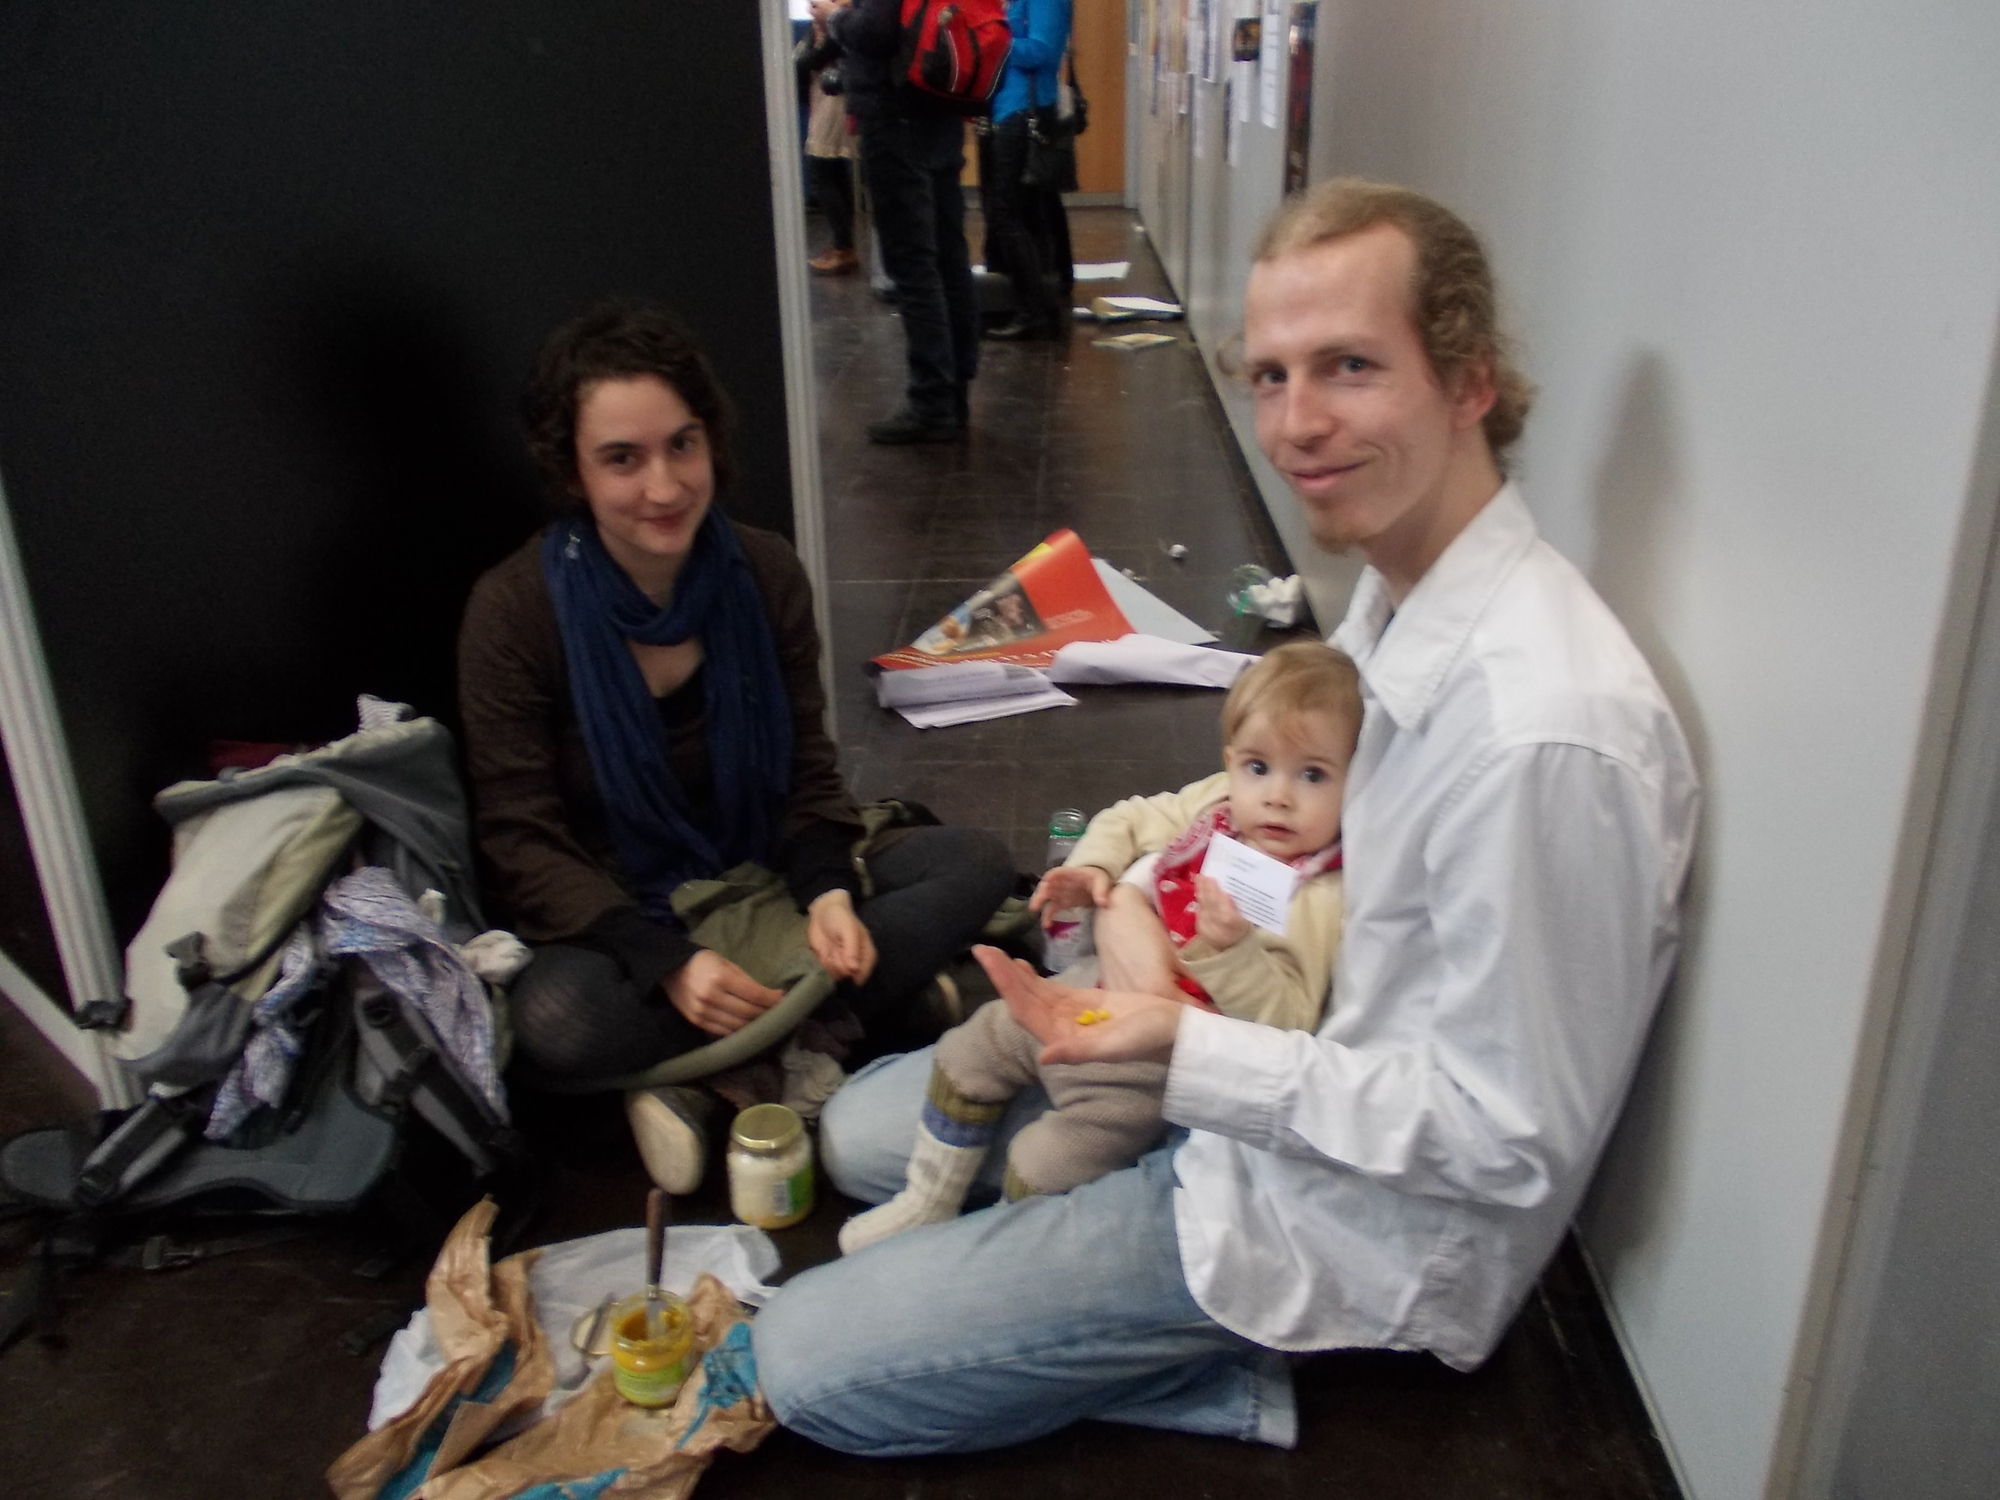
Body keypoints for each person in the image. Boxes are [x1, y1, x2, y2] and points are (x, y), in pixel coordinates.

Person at [751, 179, 1699, 1454]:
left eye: (1348, 367)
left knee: (803, 1368)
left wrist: (1178, 1051)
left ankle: (1259, 1367)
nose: (1294, 425)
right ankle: (1081, 1235)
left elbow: (1502, 1143)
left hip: (1340, 1220)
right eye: (1268, 376)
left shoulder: (1544, 736)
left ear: (1468, 380)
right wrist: (1139, 899)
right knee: (862, 1135)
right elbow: (1266, 836)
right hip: (1267, 1057)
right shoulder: (1396, 607)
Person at [457, 301, 1015, 1192]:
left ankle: (703, 1080)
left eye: (683, 444)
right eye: (622, 458)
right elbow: (521, 841)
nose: (666, 486)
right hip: (620, 914)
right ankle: (831, 1027)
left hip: (762, 873)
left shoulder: (764, 572)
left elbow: (807, 769)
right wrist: (667, 964)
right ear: (572, 470)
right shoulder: (514, 613)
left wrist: (829, 888)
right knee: (554, 1020)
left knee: (975, 863)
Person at [838, 641, 1357, 1252]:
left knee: (1051, 1160)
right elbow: (1133, 817)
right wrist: (1095, 866)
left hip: (1153, 1067)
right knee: (974, 1045)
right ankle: (926, 1202)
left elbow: (1289, 1025)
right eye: (1258, 767)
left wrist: (1235, 951)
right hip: (1090, 990)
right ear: (1230, 761)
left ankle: (981, 1249)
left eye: (1313, 775)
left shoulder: (1319, 897)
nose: (1278, 795)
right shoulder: (1216, 803)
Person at [812, 0, 980, 444]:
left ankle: (931, 402)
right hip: (939, 112)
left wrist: (836, 16)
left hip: (895, 116)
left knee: (913, 263)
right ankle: (954, 388)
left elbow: (876, 30)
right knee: (948, 258)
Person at [979, 0, 1074, 341]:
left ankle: (1031, 309)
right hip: (1007, 111)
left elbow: (1043, 52)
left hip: (1024, 114)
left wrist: (991, 39)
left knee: (1008, 213)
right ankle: (1036, 302)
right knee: (1025, 213)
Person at [799, 23, 860, 275]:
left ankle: (843, 246)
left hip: (833, 99)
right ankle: (843, 245)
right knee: (834, 170)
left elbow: (812, 59)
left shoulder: (837, 21)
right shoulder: (825, 25)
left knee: (821, 169)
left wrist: (821, 32)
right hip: (823, 96)